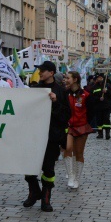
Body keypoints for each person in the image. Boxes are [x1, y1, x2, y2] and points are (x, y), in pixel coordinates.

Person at [23, 61, 70, 212]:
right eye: (40, 70)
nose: (40, 73)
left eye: (43, 70)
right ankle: (34, 191)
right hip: (34, 134)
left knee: (48, 169)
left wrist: (55, 102)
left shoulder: (61, 91)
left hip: (52, 135)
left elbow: (66, 115)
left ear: (51, 72)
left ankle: (46, 198)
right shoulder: (35, 88)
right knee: (29, 167)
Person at [64, 71, 93, 190]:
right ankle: (70, 176)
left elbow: (91, 111)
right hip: (69, 126)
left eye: (68, 78)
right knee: (67, 148)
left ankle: (77, 178)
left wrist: (85, 122)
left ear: (75, 80)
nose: (66, 80)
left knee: (78, 153)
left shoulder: (85, 95)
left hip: (81, 126)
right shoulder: (65, 94)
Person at [90, 74, 111, 140]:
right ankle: (100, 133)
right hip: (98, 107)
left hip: (106, 106)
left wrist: (107, 91)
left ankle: (107, 133)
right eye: (98, 77)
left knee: (106, 119)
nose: (100, 78)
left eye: (101, 77)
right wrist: (98, 98)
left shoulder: (107, 85)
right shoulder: (94, 87)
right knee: (99, 120)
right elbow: (92, 97)